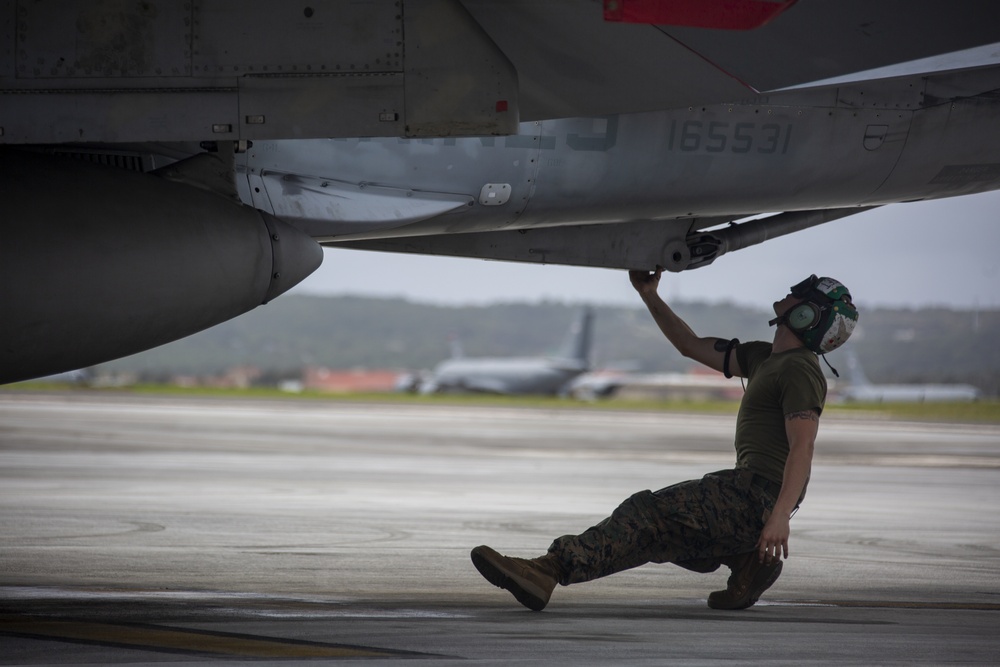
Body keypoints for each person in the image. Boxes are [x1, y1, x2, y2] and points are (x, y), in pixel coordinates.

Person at [471, 270, 858, 611]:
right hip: (744, 490)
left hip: (757, 498)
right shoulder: (764, 358)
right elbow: (690, 345)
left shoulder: (800, 371)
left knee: (647, 516)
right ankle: (746, 561)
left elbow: (802, 448)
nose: (789, 295)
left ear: (808, 316)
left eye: (800, 296)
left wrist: (778, 516)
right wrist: (649, 294)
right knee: (662, 533)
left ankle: (546, 571)